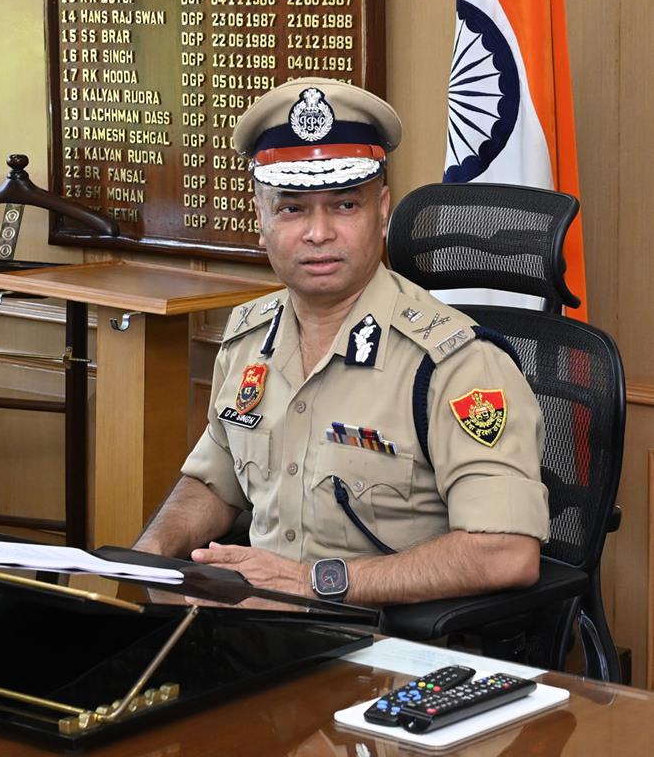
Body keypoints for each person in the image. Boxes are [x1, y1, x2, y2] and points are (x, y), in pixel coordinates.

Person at [135, 78, 548, 607]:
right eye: (291, 209)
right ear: (260, 218)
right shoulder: (247, 338)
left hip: (383, 638)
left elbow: (505, 552)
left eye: (345, 205)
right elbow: (214, 483)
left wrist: (311, 583)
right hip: (252, 624)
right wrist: (151, 553)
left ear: (382, 210)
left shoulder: (456, 365)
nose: (318, 233)